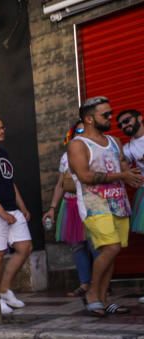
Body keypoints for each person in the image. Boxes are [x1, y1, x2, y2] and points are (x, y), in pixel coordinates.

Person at [66, 98, 143, 316]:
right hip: (94, 205)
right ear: (89, 119)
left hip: (118, 203)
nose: (110, 118)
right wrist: (122, 175)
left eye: (110, 113)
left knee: (111, 252)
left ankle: (104, 299)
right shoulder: (78, 144)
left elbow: (123, 165)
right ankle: (91, 293)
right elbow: (85, 176)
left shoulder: (114, 141)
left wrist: (131, 176)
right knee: (111, 248)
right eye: (105, 115)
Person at [0, 113, 34, 316]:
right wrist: (2, 212)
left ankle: (4, 290)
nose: (1, 131)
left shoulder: (3, 153)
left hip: (13, 208)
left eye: (2, 127)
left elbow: (10, 181)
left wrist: (21, 207)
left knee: (25, 247)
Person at [44, 122, 93, 299]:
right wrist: (52, 208)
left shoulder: (95, 149)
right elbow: (60, 184)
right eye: (78, 130)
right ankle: (85, 283)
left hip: (91, 202)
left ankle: (100, 284)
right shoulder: (65, 157)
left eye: (84, 130)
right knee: (77, 246)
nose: (81, 132)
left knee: (96, 244)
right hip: (70, 204)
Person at [116, 108, 144, 238]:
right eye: (121, 125)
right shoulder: (128, 149)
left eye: (127, 121)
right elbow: (120, 166)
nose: (124, 126)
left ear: (139, 118)